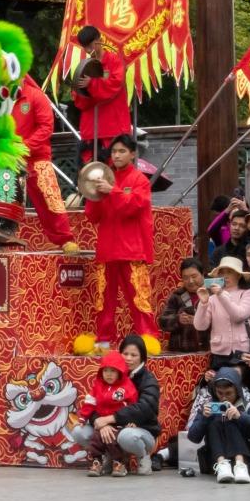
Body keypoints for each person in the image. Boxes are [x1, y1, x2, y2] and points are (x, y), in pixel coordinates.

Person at [83, 135, 155, 347]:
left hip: (132, 250)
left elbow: (131, 207)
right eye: (114, 151)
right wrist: (94, 194)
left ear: (133, 154)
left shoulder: (139, 180)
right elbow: (92, 216)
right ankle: (104, 340)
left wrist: (111, 191)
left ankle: (148, 339)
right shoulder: (105, 178)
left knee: (138, 297)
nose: (117, 155)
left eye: (122, 151)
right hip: (107, 250)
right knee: (104, 299)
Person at [71, 334, 161, 474]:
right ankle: (109, 457)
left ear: (142, 357)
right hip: (112, 426)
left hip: (141, 430)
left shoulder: (148, 380)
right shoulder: (109, 376)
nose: (129, 358)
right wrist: (102, 424)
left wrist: (111, 419)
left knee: (125, 436)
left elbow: (145, 408)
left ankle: (143, 455)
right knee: (78, 432)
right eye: (125, 354)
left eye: (134, 355)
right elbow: (95, 403)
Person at [12, 74, 77, 251]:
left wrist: (24, 147)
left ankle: (65, 239)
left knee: (50, 196)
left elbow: (46, 127)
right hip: (8, 158)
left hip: (36, 157)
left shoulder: (35, 96)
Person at [187, 367, 250, 484]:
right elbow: (193, 437)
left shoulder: (248, 405)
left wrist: (240, 416)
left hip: (247, 456)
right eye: (220, 393)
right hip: (215, 457)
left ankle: (240, 464)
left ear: (237, 391)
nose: (224, 398)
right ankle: (222, 464)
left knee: (231, 420)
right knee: (215, 421)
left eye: (228, 393)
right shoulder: (209, 407)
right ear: (214, 391)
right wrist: (205, 418)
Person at [72, 25, 130, 163]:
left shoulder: (115, 62)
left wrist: (92, 84)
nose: (88, 50)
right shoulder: (84, 66)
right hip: (92, 129)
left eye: (91, 45)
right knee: (91, 175)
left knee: (114, 173)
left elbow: (114, 86)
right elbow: (78, 99)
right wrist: (83, 90)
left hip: (113, 127)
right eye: (85, 47)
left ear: (100, 40)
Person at [78, 351, 139, 476]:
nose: (109, 374)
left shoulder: (126, 386)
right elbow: (90, 403)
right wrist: (83, 417)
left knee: (112, 440)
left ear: (120, 372)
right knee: (96, 439)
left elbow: (133, 407)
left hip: (118, 423)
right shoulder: (98, 385)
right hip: (100, 421)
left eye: (113, 371)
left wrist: (133, 421)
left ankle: (119, 463)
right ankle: (97, 461)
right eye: (106, 371)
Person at [193, 256, 250, 371]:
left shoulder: (248, 294)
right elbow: (200, 326)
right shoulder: (213, 298)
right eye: (221, 272)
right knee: (221, 386)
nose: (225, 275)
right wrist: (203, 304)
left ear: (238, 275)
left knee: (243, 386)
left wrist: (221, 294)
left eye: (230, 272)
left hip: (244, 351)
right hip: (219, 353)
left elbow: (238, 315)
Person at [159, 258, 207, 353]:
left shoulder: (212, 294)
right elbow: (163, 321)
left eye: (194, 276)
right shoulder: (177, 296)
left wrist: (199, 321)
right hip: (180, 352)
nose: (190, 281)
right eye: (185, 277)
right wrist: (178, 319)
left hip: (207, 350)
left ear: (202, 274)